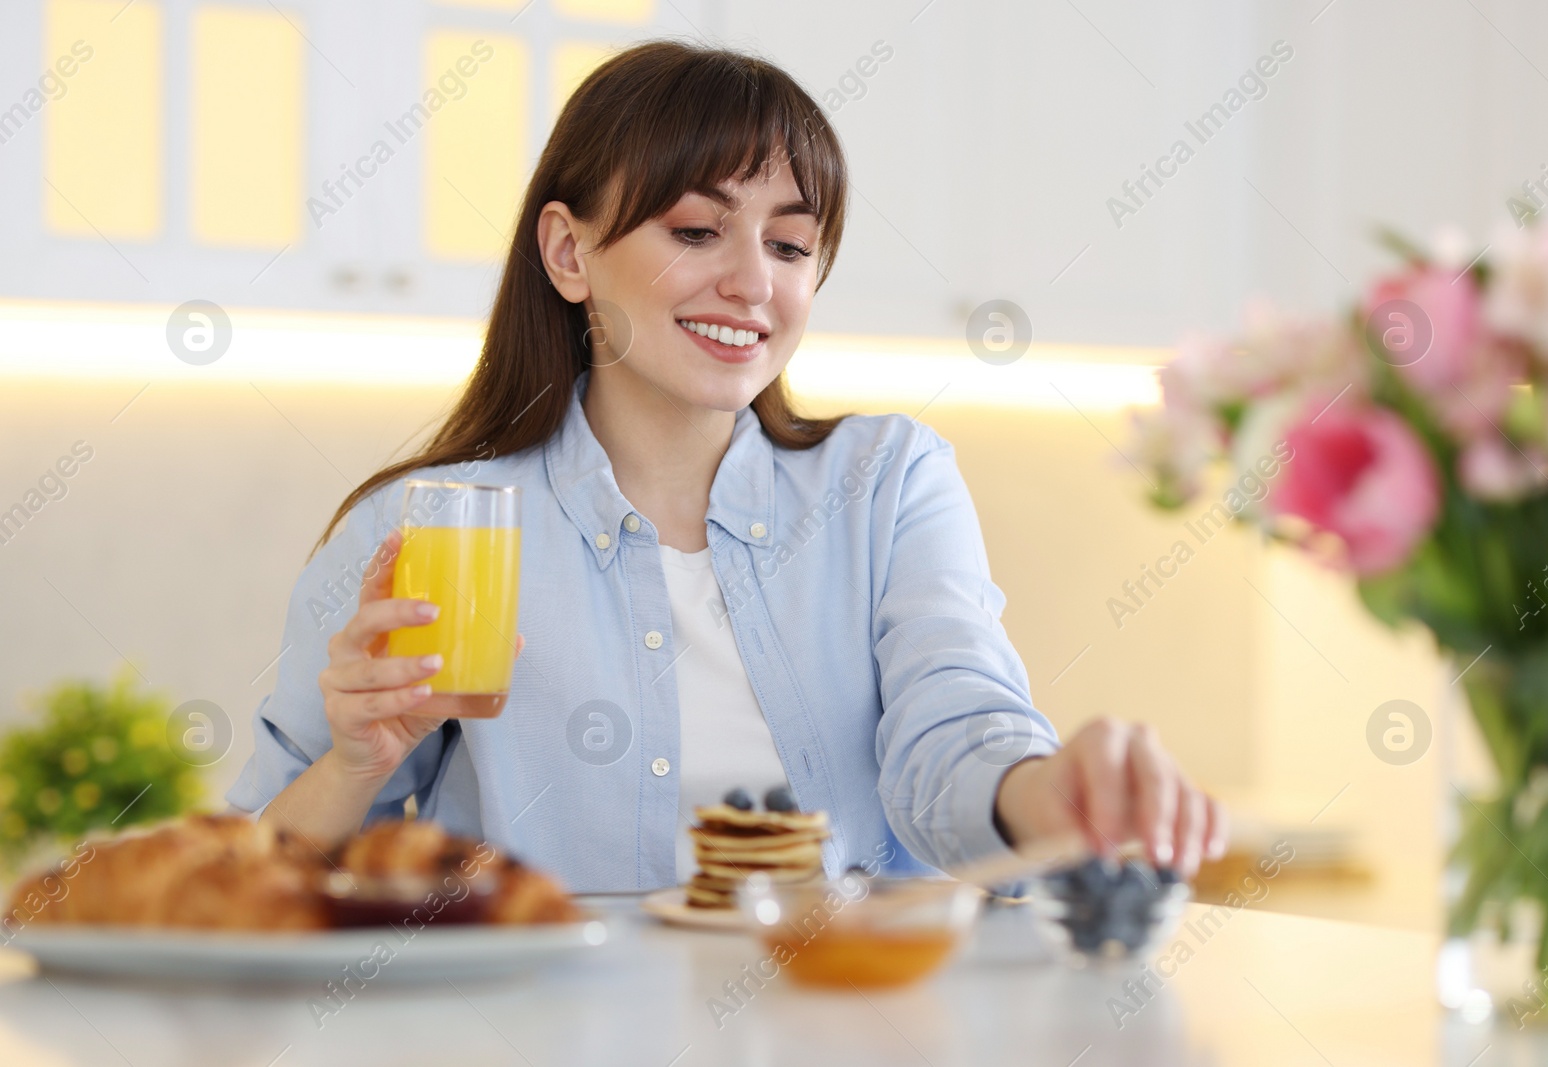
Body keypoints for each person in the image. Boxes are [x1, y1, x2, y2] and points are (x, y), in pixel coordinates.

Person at [227, 39, 1226, 892]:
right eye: (697, 230)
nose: (752, 282)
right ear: (568, 254)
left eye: (791, 246)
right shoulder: (434, 525)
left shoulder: (884, 484)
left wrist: (1049, 789)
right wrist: (357, 764)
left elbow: (954, 723)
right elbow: (244, 881)